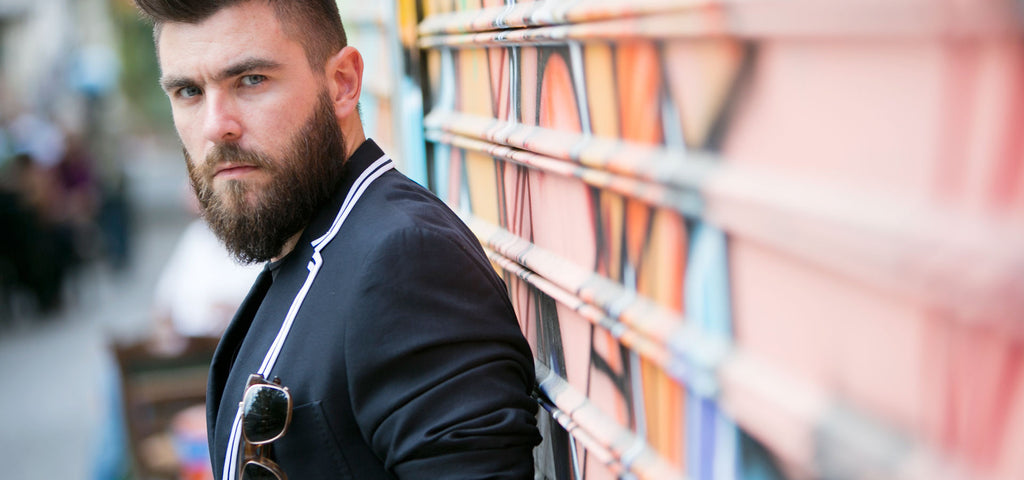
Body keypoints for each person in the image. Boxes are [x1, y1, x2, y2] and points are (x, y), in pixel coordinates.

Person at [132, 1, 542, 479]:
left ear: (343, 83)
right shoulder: (311, 244)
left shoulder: (407, 262)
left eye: (251, 80)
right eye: (189, 91)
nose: (215, 126)